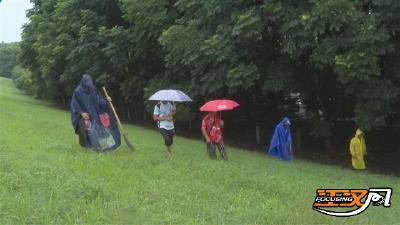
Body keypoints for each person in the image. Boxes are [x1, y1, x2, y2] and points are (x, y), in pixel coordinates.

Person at [70, 74, 121, 151]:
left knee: (101, 131)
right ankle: (90, 147)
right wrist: (81, 113)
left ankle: (105, 147)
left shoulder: (93, 89)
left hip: (95, 114)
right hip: (85, 116)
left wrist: (106, 100)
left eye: (90, 83)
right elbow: (74, 105)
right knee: (89, 131)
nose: (89, 85)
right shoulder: (77, 92)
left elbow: (99, 101)